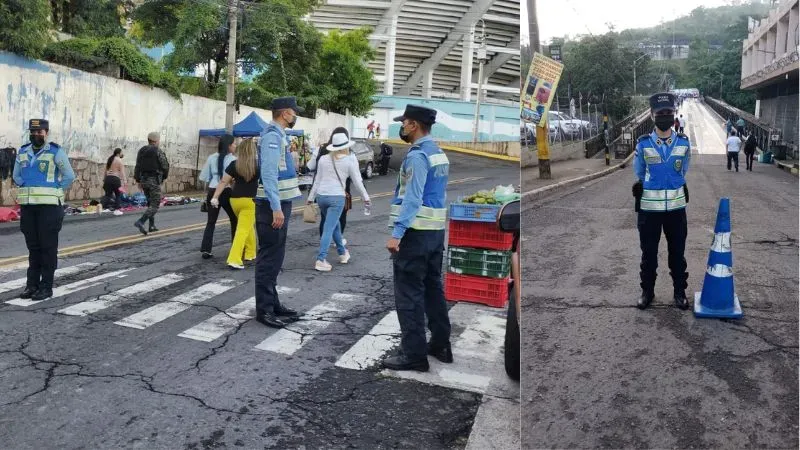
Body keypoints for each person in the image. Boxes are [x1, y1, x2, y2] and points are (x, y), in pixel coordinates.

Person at [383, 104, 451, 372]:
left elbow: (413, 196)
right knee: (433, 289)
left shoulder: (417, 156)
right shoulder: (439, 153)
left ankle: (413, 355)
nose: (402, 127)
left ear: (413, 125)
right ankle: (441, 344)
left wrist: (397, 233)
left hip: (415, 235)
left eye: (404, 123)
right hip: (434, 233)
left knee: (409, 295)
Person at [631, 93, 691, 311]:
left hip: (676, 210)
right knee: (649, 255)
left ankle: (679, 292)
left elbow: (684, 170)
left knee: (677, 254)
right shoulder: (643, 144)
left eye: (668, 113)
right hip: (649, 211)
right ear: (652, 115)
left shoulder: (683, 143)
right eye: (660, 113)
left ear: (673, 115)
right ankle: (647, 291)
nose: (664, 117)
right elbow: (639, 172)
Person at [253, 97, 303, 328]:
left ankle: (273, 304)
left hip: (280, 204)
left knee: (276, 258)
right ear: (285, 114)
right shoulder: (273, 136)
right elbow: (270, 175)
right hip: (272, 207)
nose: (295, 116)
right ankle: (264, 310)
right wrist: (275, 208)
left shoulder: (279, 135)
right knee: (268, 259)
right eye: (294, 113)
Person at [12, 119, 75, 300]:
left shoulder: (55, 151)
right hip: (29, 209)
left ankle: (46, 287)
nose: (35, 135)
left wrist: (55, 188)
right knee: (33, 248)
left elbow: (69, 176)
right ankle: (32, 286)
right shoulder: (23, 151)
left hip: (49, 209)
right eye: (33, 131)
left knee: (47, 248)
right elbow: (16, 175)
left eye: (39, 132)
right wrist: (25, 184)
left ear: (46, 132)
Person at [306, 130, 370, 272]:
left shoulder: (323, 159)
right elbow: (357, 182)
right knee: (330, 228)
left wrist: (310, 198)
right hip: (337, 197)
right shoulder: (349, 161)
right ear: (345, 146)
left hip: (321, 197)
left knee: (334, 226)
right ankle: (320, 259)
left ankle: (343, 253)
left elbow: (317, 180)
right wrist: (365, 197)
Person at [211, 138, 259, 270]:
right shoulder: (257, 165)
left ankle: (250, 252)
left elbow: (223, 182)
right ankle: (234, 258)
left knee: (247, 226)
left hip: (235, 200)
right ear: (252, 151)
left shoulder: (234, 164)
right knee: (243, 229)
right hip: (250, 200)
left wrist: (215, 197)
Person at [308, 127, 353, 244]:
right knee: (341, 217)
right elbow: (354, 175)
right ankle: (337, 241)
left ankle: (324, 239)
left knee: (325, 217)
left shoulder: (321, 149)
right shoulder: (348, 151)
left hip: (322, 191)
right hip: (341, 191)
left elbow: (310, 166)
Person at [199, 134, 237, 259]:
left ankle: (206, 249)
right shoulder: (233, 160)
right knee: (234, 219)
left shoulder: (211, 158)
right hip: (226, 191)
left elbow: (204, 177)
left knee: (211, 222)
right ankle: (235, 246)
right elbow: (233, 179)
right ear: (229, 146)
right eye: (234, 144)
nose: (235, 146)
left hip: (212, 190)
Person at [133, 131, 169, 235]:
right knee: (155, 204)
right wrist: (164, 177)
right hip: (153, 180)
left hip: (143, 180)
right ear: (156, 140)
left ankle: (151, 226)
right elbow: (165, 165)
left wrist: (138, 180)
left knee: (150, 203)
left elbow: (138, 166)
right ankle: (141, 221)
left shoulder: (141, 151)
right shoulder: (158, 151)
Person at [103, 148, 127, 215]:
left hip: (108, 178)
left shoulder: (110, 159)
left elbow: (105, 171)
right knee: (118, 194)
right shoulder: (119, 160)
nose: (122, 154)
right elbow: (122, 172)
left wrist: (104, 179)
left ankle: (105, 208)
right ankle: (117, 210)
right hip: (115, 179)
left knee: (108, 194)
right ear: (118, 153)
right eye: (122, 152)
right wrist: (125, 181)